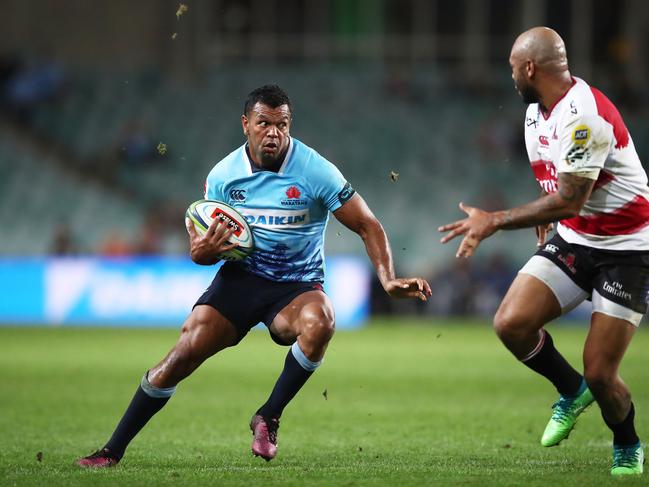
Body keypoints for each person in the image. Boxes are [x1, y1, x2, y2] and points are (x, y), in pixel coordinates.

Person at [77, 84, 432, 468]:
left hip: (296, 286)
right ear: (246, 124)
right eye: (264, 123)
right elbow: (199, 247)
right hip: (241, 280)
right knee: (179, 357)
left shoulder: (316, 170)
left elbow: (367, 224)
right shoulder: (224, 176)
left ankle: (269, 415)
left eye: (282, 125)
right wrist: (202, 252)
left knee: (322, 321)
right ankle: (111, 451)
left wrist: (388, 278)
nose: (274, 133)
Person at [439, 27, 647, 476]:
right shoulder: (537, 113)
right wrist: (544, 218)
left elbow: (571, 196)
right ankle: (572, 392)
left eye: (513, 66)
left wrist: (493, 219)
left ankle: (627, 443)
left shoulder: (584, 115)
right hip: (575, 237)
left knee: (601, 372)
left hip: (627, 248)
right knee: (511, 323)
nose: (511, 74)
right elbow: (553, 181)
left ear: (530, 67)